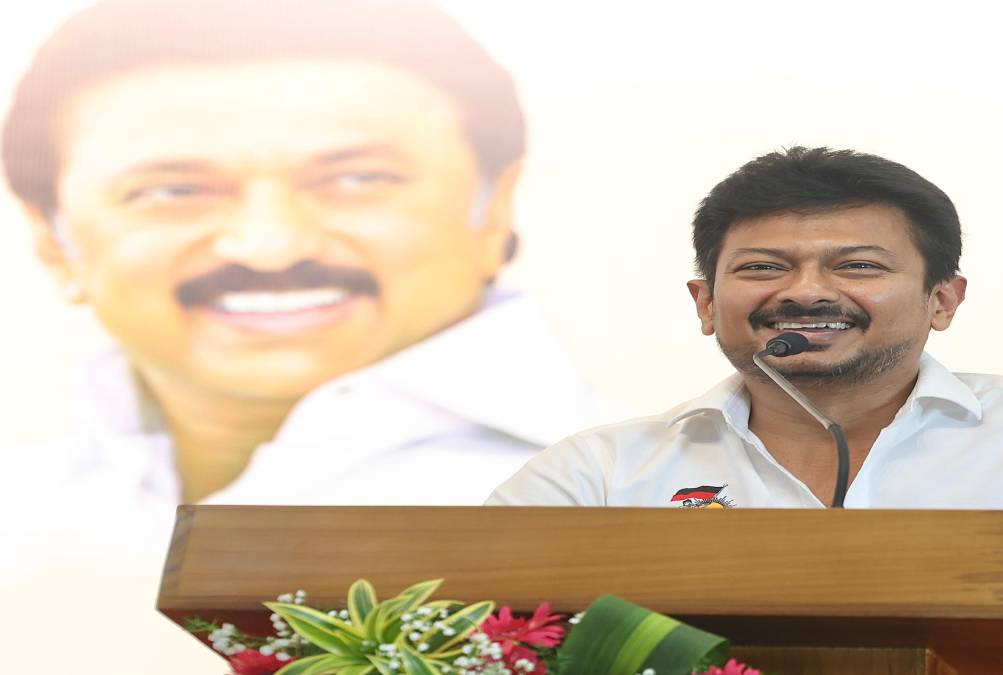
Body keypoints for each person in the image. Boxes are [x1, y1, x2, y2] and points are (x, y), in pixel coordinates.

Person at [488, 146, 1003, 670]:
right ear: (705, 304)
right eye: (763, 267)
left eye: (857, 265)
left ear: (943, 300)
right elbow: (474, 642)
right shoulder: (597, 473)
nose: (805, 291)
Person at [1, 0, 604, 554]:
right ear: (52, 241)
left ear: (495, 211)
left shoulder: (625, 504)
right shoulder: (22, 520)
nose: (271, 246)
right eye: (174, 191)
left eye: (358, 179)